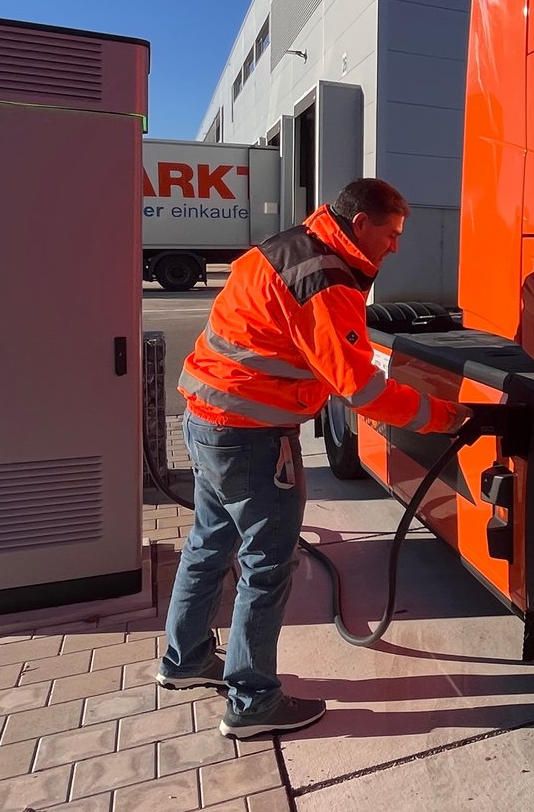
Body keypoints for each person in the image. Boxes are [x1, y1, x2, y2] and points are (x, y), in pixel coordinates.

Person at [159, 177, 472, 738]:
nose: (396, 246)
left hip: (207, 421)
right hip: (251, 437)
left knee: (209, 544)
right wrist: (443, 416)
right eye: (392, 232)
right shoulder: (325, 281)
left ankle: (183, 662)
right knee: (266, 566)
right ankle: (251, 703)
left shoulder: (284, 248)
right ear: (359, 224)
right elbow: (361, 389)